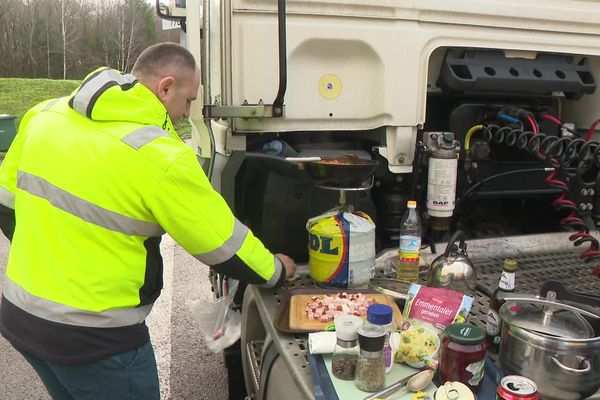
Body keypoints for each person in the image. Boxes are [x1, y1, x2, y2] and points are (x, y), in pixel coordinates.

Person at [0, 42, 296, 399]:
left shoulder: (44, 115)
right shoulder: (159, 155)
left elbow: (6, 205)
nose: (188, 114)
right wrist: (276, 269)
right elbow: (222, 243)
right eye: (188, 100)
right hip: (97, 339)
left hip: (21, 317)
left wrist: (56, 257)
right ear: (165, 87)